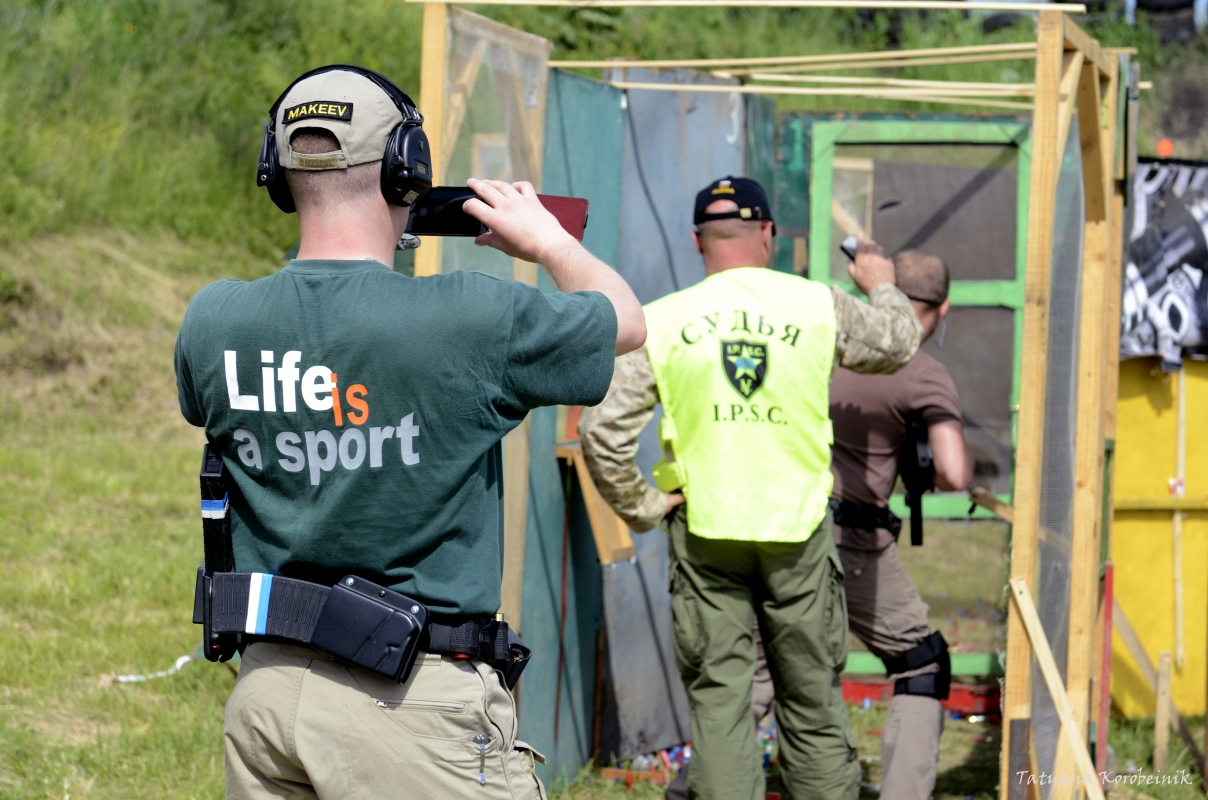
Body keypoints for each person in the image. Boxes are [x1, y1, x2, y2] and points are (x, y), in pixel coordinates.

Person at [174, 66, 645, 799]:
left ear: (277, 171)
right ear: (408, 170)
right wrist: (551, 243)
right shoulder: (470, 317)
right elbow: (626, 321)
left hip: (267, 696)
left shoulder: (213, 319)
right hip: (411, 705)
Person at [578, 176, 922, 800]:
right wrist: (881, 284)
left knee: (720, 701)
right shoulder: (818, 305)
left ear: (697, 241)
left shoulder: (663, 319)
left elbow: (600, 432)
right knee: (811, 697)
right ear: (767, 233)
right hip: (799, 533)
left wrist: (646, 506)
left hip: (705, 532)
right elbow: (898, 343)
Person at [829, 249, 973, 800]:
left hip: (783, 529)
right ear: (944, 307)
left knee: (761, 672)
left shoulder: (829, 342)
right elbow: (955, 472)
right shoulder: (923, 371)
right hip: (853, 542)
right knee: (921, 662)